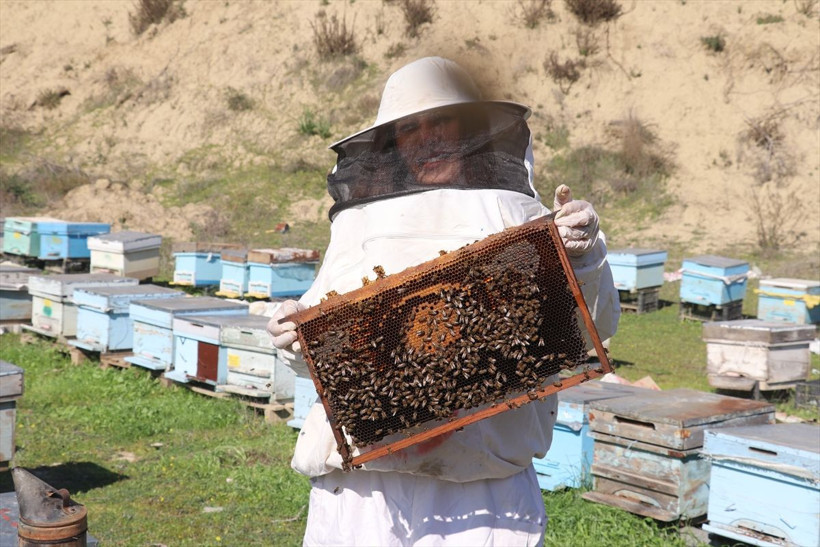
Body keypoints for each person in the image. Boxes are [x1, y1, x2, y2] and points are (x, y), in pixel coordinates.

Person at [268, 56, 619, 546]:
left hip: (482, 494)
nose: (427, 138)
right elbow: (327, 358)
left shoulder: (516, 214)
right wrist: (293, 338)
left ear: (472, 129)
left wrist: (584, 260)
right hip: (362, 490)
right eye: (410, 128)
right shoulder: (358, 225)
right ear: (392, 142)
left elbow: (590, 329)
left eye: (441, 122)